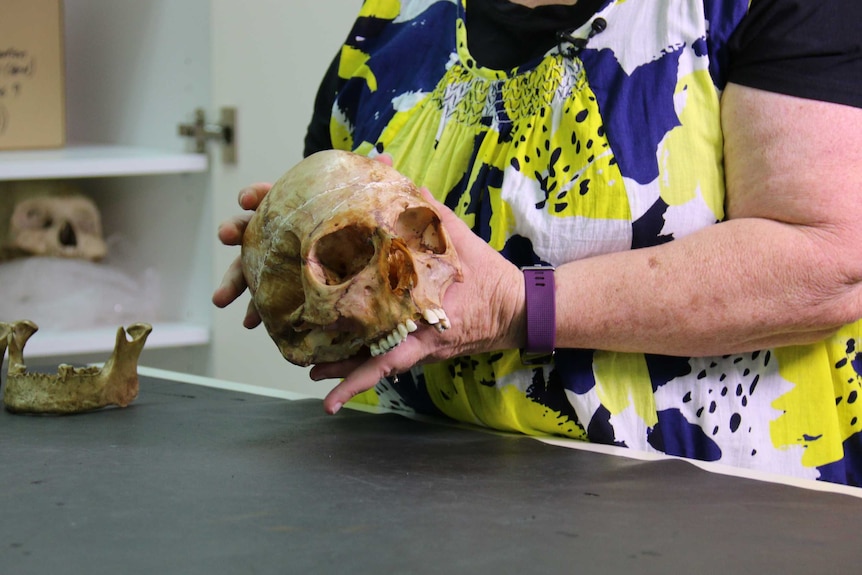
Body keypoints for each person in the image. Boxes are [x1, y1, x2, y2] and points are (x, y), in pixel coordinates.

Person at [213, 0, 862, 487]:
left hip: (713, 518)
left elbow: (829, 262)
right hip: (413, 512)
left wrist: (516, 306)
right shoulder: (393, 21)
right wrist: (298, 246)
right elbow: (387, 272)